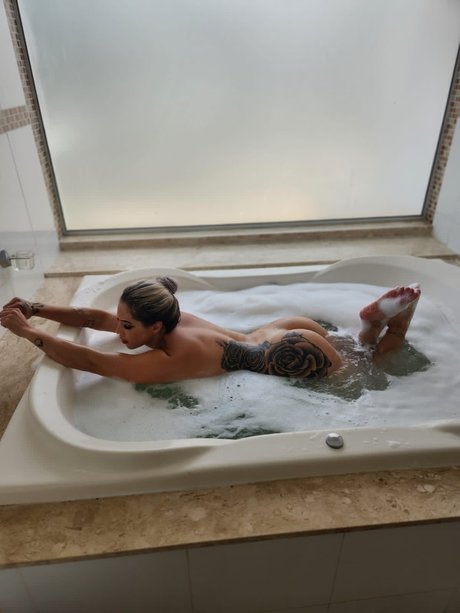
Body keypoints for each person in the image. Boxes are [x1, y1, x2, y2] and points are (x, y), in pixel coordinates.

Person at [0, 277, 421, 385]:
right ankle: (372, 326)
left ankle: (394, 327)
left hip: (285, 354)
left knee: (371, 375)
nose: (119, 331)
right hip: (282, 329)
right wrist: (36, 308)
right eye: (121, 322)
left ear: (154, 326)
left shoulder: (171, 355)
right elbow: (94, 318)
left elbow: (93, 361)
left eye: (126, 326)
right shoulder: (169, 315)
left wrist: (26, 332)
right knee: (358, 354)